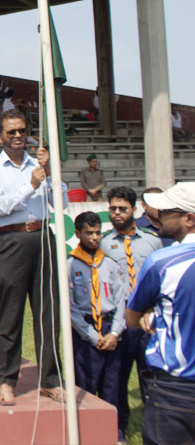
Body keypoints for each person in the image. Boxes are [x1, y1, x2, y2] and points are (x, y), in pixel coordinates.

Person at [0, 108, 68, 406]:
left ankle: (50, 380)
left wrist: (51, 174)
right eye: (11, 132)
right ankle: (5, 379)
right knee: (11, 312)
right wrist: (31, 185)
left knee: (48, 312)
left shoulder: (40, 164)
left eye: (22, 131)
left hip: (43, 236)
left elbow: (62, 204)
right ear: (0, 136)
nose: (18, 136)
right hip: (11, 240)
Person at [126, 183, 195, 445]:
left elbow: (132, 318)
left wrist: (153, 315)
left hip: (175, 390)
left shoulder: (162, 261)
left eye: (166, 211)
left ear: (189, 219)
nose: (157, 213)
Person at [100, 187, 163, 442]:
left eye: (122, 208)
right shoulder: (103, 243)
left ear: (134, 211)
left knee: (151, 379)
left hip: (147, 322)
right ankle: (118, 429)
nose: (117, 213)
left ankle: (156, 428)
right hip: (120, 322)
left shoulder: (152, 241)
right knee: (116, 380)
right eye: (113, 208)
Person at [68, 211, 127, 441]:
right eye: (88, 233)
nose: (94, 238)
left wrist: (114, 333)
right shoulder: (70, 265)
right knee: (86, 384)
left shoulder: (110, 264)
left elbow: (121, 299)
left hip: (110, 327)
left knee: (112, 384)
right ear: (78, 234)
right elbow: (70, 307)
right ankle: (87, 432)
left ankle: (112, 432)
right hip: (86, 330)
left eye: (97, 232)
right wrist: (92, 336)